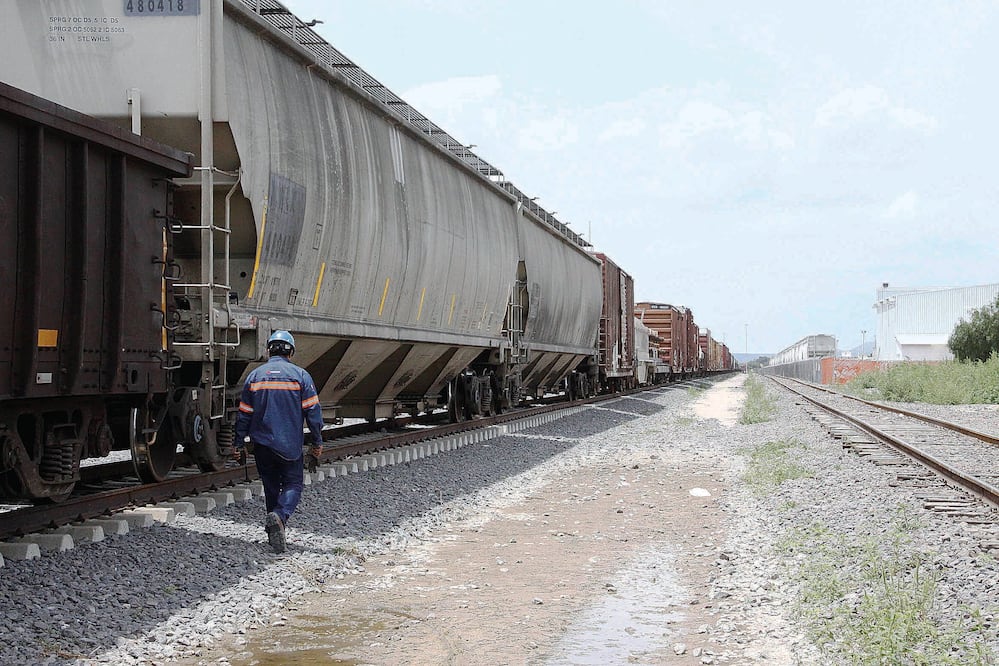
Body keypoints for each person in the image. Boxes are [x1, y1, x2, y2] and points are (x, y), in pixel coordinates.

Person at [235, 330, 324, 553]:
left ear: (268, 350)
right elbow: (313, 413)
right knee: (293, 484)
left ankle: (274, 532)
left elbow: (244, 415)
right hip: (289, 446)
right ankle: (280, 516)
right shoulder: (300, 376)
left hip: (262, 446)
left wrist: (238, 443)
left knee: (271, 487)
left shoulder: (254, 377)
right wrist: (317, 442)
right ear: (290, 352)